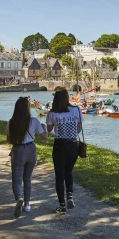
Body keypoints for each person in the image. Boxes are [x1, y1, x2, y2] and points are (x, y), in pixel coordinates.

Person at [7, 96, 47, 217]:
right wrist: (45, 128)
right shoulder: (34, 121)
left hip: (18, 150)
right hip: (31, 149)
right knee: (28, 178)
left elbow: (8, 140)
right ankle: (27, 205)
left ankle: (19, 198)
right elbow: (45, 137)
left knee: (17, 179)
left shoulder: (11, 122)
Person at [46, 87, 84, 215]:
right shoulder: (77, 110)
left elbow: (49, 129)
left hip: (60, 145)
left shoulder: (52, 113)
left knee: (59, 175)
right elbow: (79, 128)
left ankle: (62, 206)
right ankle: (70, 196)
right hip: (73, 144)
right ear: (68, 98)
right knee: (69, 172)